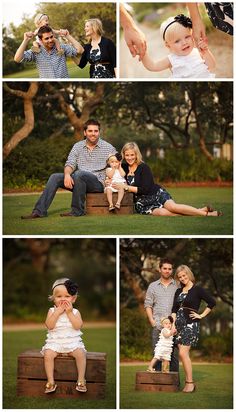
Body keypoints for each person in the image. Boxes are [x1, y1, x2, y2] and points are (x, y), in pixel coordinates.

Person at [21, 119, 116, 219]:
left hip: (97, 183)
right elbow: (70, 163)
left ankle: (77, 211)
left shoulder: (108, 147)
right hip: (79, 181)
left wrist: (112, 179)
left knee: (79, 174)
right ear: (85, 132)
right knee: (55, 177)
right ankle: (39, 211)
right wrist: (67, 175)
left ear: (99, 132)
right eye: (90, 131)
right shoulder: (77, 146)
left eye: (96, 131)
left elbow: (117, 163)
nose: (93, 134)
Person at [111, 141, 222, 217]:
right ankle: (198, 211)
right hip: (142, 203)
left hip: (155, 194)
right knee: (163, 213)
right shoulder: (123, 168)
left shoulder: (144, 167)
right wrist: (110, 177)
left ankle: (207, 214)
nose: (129, 158)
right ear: (123, 156)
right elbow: (112, 166)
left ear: (136, 155)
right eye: (127, 155)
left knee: (172, 207)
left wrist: (125, 187)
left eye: (132, 155)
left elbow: (145, 189)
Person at [171, 265, 216, 393]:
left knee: (182, 353)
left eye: (184, 275)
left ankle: (190, 383)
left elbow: (212, 302)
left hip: (191, 324)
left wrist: (201, 315)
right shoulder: (178, 291)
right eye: (180, 277)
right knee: (184, 355)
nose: (182, 278)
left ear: (189, 275)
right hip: (178, 325)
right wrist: (173, 325)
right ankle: (189, 382)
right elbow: (174, 310)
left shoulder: (198, 290)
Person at [41, 278, 87, 394]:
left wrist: (69, 313)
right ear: (53, 299)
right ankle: (50, 381)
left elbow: (78, 326)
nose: (63, 299)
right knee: (47, 355)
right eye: (59, 296)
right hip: (55, 343)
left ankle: (81, 379)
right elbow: (49, 325)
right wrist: (57, 313)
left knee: (80, 354)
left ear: (73, 298)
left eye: (67, 296)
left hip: (72, 344)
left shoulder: (75, 312)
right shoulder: (52, 311)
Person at [141, 14, 216, 78]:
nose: (184, 42)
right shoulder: (171, 60)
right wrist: (143, 53)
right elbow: (153, 66)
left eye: (187, 37)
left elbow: (211, 65)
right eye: (177, 41)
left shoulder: (198, 52)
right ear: (168, 45)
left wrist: (205, 51)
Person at [144, 258, 179, 373]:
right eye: (165, 268)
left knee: (173, 356)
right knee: (157, 354)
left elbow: (181, 305)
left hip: (174, 327)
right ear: (160, 269)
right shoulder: (153, 286)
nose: (167, 271)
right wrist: (152, 321)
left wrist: (176, 324)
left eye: (169, 269)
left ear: (172, 270)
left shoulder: (177, 286)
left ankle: (174, 384)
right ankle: (157, 384)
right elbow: (148, 305)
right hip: (158, 326)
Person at [14, 25, 84, 78]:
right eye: (46, 38)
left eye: (51, 37)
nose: (50, 40)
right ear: (40, 40)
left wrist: (68, 36)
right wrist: (25, 40)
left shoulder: (62, 47)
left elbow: (80, 50)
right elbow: (17, 59)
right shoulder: (36, 50)